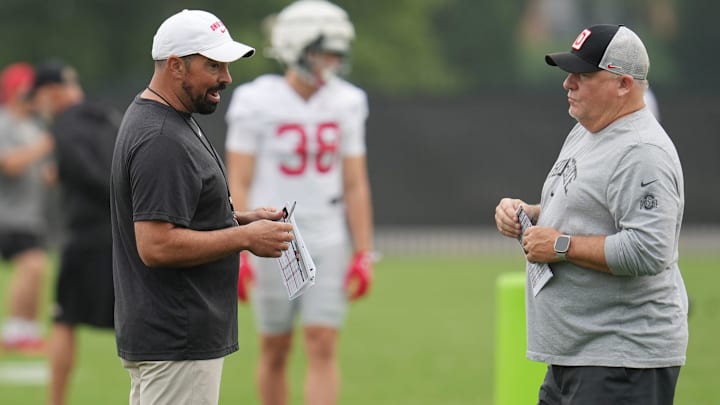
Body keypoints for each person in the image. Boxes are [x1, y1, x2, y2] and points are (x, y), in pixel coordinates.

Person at [110, 9, 296, 405]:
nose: (226, 78)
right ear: (176, 66)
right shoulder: (161, 137)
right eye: (213, 65)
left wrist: (241, 218)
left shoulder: (164, 118)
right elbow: (156, 244)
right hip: (177, 338)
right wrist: (244, 237)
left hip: (169, 336)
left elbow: (178, 212)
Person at [494, 24, 688, 405]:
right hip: (580, 355)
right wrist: (528, 214)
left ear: (623, 84)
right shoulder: (588, 130)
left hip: (621, 360)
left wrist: (560, 245)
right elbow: (586, 208)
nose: (569, 83)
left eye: (584, 75)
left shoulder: (642, 151)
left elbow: (649, 250)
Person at [224, 1, 374, 404]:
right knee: (275, 348)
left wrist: (364, 251)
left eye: (337, 52)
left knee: (322, 342)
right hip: (271, 238)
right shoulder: (255, 100)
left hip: (327, 236)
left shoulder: (348, 101)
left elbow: (355, 182)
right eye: (324, 51)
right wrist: (238, 246)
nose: (333, 62)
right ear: (295, 48)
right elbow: (239, 177)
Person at [30, 59, 118, 405]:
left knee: (64, 319)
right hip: (127, 234)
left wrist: (66, 173)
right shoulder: (110, 116)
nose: (38, 107)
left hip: (86, 236)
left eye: (37, 98)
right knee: (134, 322)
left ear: (50, 93)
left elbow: (87, 174)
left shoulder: (64, 127)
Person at [0, 62, 54, 354]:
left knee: (38, 269)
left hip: (31, 215)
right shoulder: (4, 123)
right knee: (32, 265)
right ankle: (13, 332)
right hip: (9, 216)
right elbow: (9, 165)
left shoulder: (35, 127)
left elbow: (44, 172)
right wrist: (45, 146)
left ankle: (28, 331)